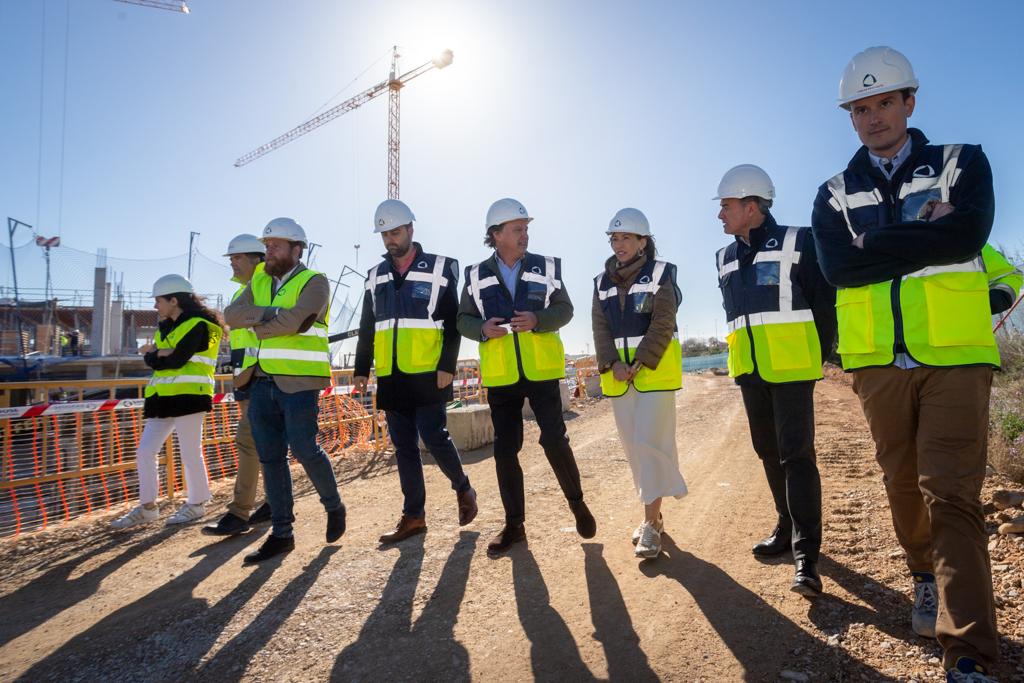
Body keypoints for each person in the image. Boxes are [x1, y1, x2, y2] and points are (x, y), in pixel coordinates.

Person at [812, 46, 1000, 681]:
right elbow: (838, 267)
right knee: (903, 485)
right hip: (876, 365)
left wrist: (875, 245)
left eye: (884, 102)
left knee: (953, 494)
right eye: (860, 109)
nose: (873, 118)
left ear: (910, 102)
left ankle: (968, 651)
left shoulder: (961, 164)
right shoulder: (833, 194)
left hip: (955, 357)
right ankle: (923, 573)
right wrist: (923, 237)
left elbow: (967, 236)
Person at [714, 164, 836, 596]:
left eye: (726, 205)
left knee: (796, 457)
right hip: (750, 371)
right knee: (767, 452)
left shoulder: (799, 241)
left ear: (752, 206)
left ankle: (807, 557)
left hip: (793, 369)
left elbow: (825, 304)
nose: (720, 214)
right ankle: (785, 529)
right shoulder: (724, 257)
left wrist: (816, 356)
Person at [458, 197, 595, 556]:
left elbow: (565, 309)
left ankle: (577, 503)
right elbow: (462, 320)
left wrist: (538, 320)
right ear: (496, 234)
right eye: (518, 229)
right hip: (502, 375)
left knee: (554, 440)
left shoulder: (546, 267)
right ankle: (514, 525)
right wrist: (482, 329)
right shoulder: (474, 275)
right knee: (506, 450)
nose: (525, 235)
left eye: (526, 229)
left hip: (542, 370)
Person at [353, 199, 478, 544]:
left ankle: (463, 488)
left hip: (428, 370)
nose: (390, 240)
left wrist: (447, 366)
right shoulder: (375, 276)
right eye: (384, 235)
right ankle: (414, 517)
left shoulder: (439, 268)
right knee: (403, 446)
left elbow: (453, 323)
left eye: (395, 232)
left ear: (410, 229)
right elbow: (368, 325)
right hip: (391, 374)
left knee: (434, 435)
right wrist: (361, 367)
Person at [223, 217, 346, 564]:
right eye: (266, 245)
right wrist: (274, 313)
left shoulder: (315, 282)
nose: (268, 251)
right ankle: (282, 533)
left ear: (296, 249)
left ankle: (334, 506)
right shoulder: (260, 279)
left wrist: (260, 325)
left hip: (300, 382)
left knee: (306, 449)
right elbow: (233, 315)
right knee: (270, 458)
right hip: (261, 381)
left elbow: (298, 321)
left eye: (275, 245)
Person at [591, 208, 687, 559]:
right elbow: (600, 328)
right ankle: (655, 515)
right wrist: (612, 363)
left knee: (652, 443)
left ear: (643, 242)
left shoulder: (662, 274)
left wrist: (640, 361)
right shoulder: (600, 283)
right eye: (614, 238)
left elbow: (664, 321)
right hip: (619, 378)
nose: (619, 244)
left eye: (626, 238)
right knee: (634, 450)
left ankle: (649, 525)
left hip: (653, 373)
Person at [111, 274, 223, 529]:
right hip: (162, 399)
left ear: (174, 300)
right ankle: (148, 507)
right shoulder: (167, 327)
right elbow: (163, 358)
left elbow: (176, 360)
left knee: (190, 452)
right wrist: (157, 355)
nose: (155, 306)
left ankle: (196, 504)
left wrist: (154, 354)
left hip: (190, 396)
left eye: (158, 300)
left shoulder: (201, 325)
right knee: (144, 452)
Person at [203, 234, 273, 537]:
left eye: (237, 257)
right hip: (251, 377)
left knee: (248, 442)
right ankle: (274, 502)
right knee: (264, 444)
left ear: (256, 259)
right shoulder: (250, 290)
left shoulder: (260, 288)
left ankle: (239, 513)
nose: (232, 263)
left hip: (260, 378)